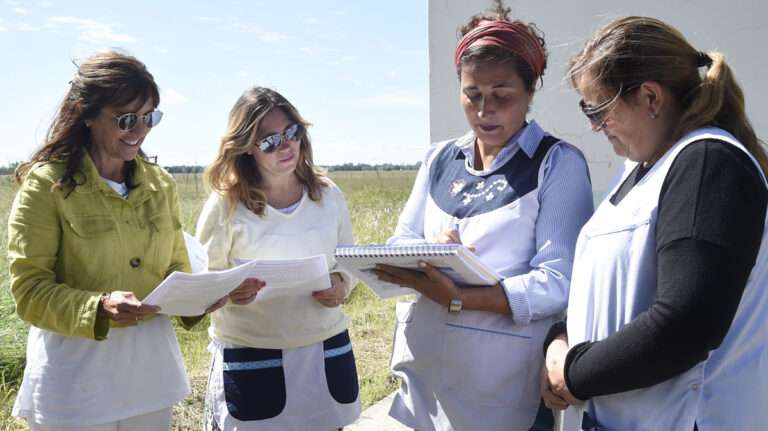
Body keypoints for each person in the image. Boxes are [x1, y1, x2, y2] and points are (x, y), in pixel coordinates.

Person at [372, 1, 593, 429]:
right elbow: (401, 239)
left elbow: (559, 280)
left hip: (504, 385)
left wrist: (460, 296)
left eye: (501, 96)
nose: (484, 110)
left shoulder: (557, 164)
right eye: (472, 95)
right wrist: (433, 253)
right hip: (429, 379)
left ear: (530, 92)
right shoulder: (440, 158)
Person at [541, 16, 768, 431]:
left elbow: (687, 323)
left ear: (649, 97)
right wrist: (561, 338)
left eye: (599, 109)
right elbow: (613, 286)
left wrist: (572, 373)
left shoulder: (708, 164)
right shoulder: (641, 168)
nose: (593, 127)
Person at [8, 50, 197, 430]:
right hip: (76, 388)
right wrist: (98, 307)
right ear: (87, 113)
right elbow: (29, 291)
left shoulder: (161, 185)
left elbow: (177, 269)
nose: (139, 130)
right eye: (126, 118)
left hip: (150, 380)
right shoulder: (46, 184)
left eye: (149, 117)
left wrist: (205, 297)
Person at [195, 86, 360, 431]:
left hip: (324, 347)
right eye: (269, 140)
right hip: (252, 354)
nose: (285, 145)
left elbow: (347, 260)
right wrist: (229, 291)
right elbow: (204, 282)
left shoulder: (329, 195)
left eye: (291, 132)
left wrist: (341, 283)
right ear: (246, 149)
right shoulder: (225, 205)